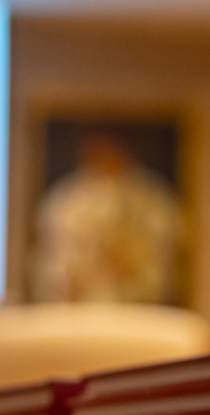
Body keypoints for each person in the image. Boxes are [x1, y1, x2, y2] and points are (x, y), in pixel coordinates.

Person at [33, 127, 182, 303]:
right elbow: (51, 255)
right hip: (78, 305)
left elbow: (166, 257)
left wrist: (127, 259)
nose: (106, 149)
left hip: (137, 306)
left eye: (112, 142)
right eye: (98, 142)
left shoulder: (154, 197)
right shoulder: (64, 198)